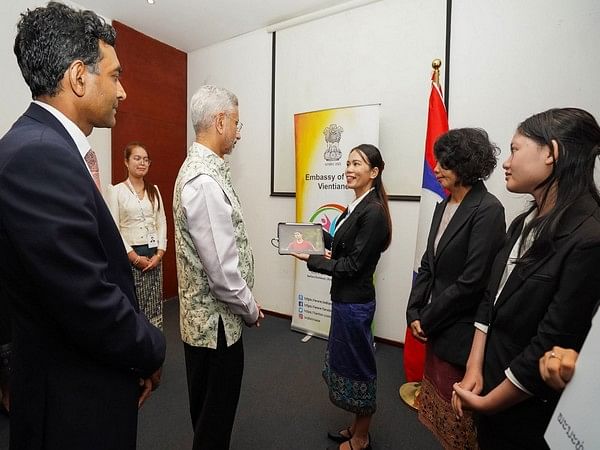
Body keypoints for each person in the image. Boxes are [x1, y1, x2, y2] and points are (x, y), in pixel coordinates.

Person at [0, 3, 166, 449]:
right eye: (114, 76)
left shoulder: (43, 146)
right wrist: (152, 347)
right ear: (78, 77)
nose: (123, 91)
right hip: (73, 401)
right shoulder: (39, 154)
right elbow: (86, 299)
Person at [451, 108, 600, 449]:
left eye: (516, 149)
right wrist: (474, 369)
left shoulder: (589, 237)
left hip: (526, 409)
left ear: (551, 153)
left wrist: (490, 402)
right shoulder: (524, 221)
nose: (506, 161)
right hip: (491, 378)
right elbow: (491, 297)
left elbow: (553, 340)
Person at [173, 85, 263, 450]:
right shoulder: (204, 181)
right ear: (220, 121)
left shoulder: (201, 170)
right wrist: (252, 310)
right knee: (214, 423)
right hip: (216, 331)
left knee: (208, 415)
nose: (238, 133)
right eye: (237, 124)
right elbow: (223, 277)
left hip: (208, 327)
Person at [406, 128, 505, 449]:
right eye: (437, 161)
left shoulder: (488, 209)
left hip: (460, 331)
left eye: (445, 163)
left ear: (467, 165)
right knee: (438, 417)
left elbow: (472, 281)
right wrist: (414, 312)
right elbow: (428, 263)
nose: (435, 169)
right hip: (436, 325)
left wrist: (428, 318)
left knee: (460, 425)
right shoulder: (444, 204)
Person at [294, 144, 392, 450]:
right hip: (345, 300)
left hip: (355, 303)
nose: (349, 169)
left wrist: (311, 259)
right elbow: (343, 245)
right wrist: (313, 237)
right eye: (348, 163)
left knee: (360, 367)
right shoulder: (359, 204)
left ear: (374, 172)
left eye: (357, 164)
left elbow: (352, 265)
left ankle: (362, 437)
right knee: (349, 363)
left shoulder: (373, 211)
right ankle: (355, 426)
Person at [107, 142, 167, 329]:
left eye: (146, 159)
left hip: (154, 257)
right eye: (137, 158)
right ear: (126, 162)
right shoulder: (116, 191)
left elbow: (161, 222)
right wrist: (133, 257)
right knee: (134, 305)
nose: (142, 163)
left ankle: (154, 345)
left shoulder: (154, 190)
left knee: (154, 305)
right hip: (130, 257)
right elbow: (114, 229)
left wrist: (159, 254)